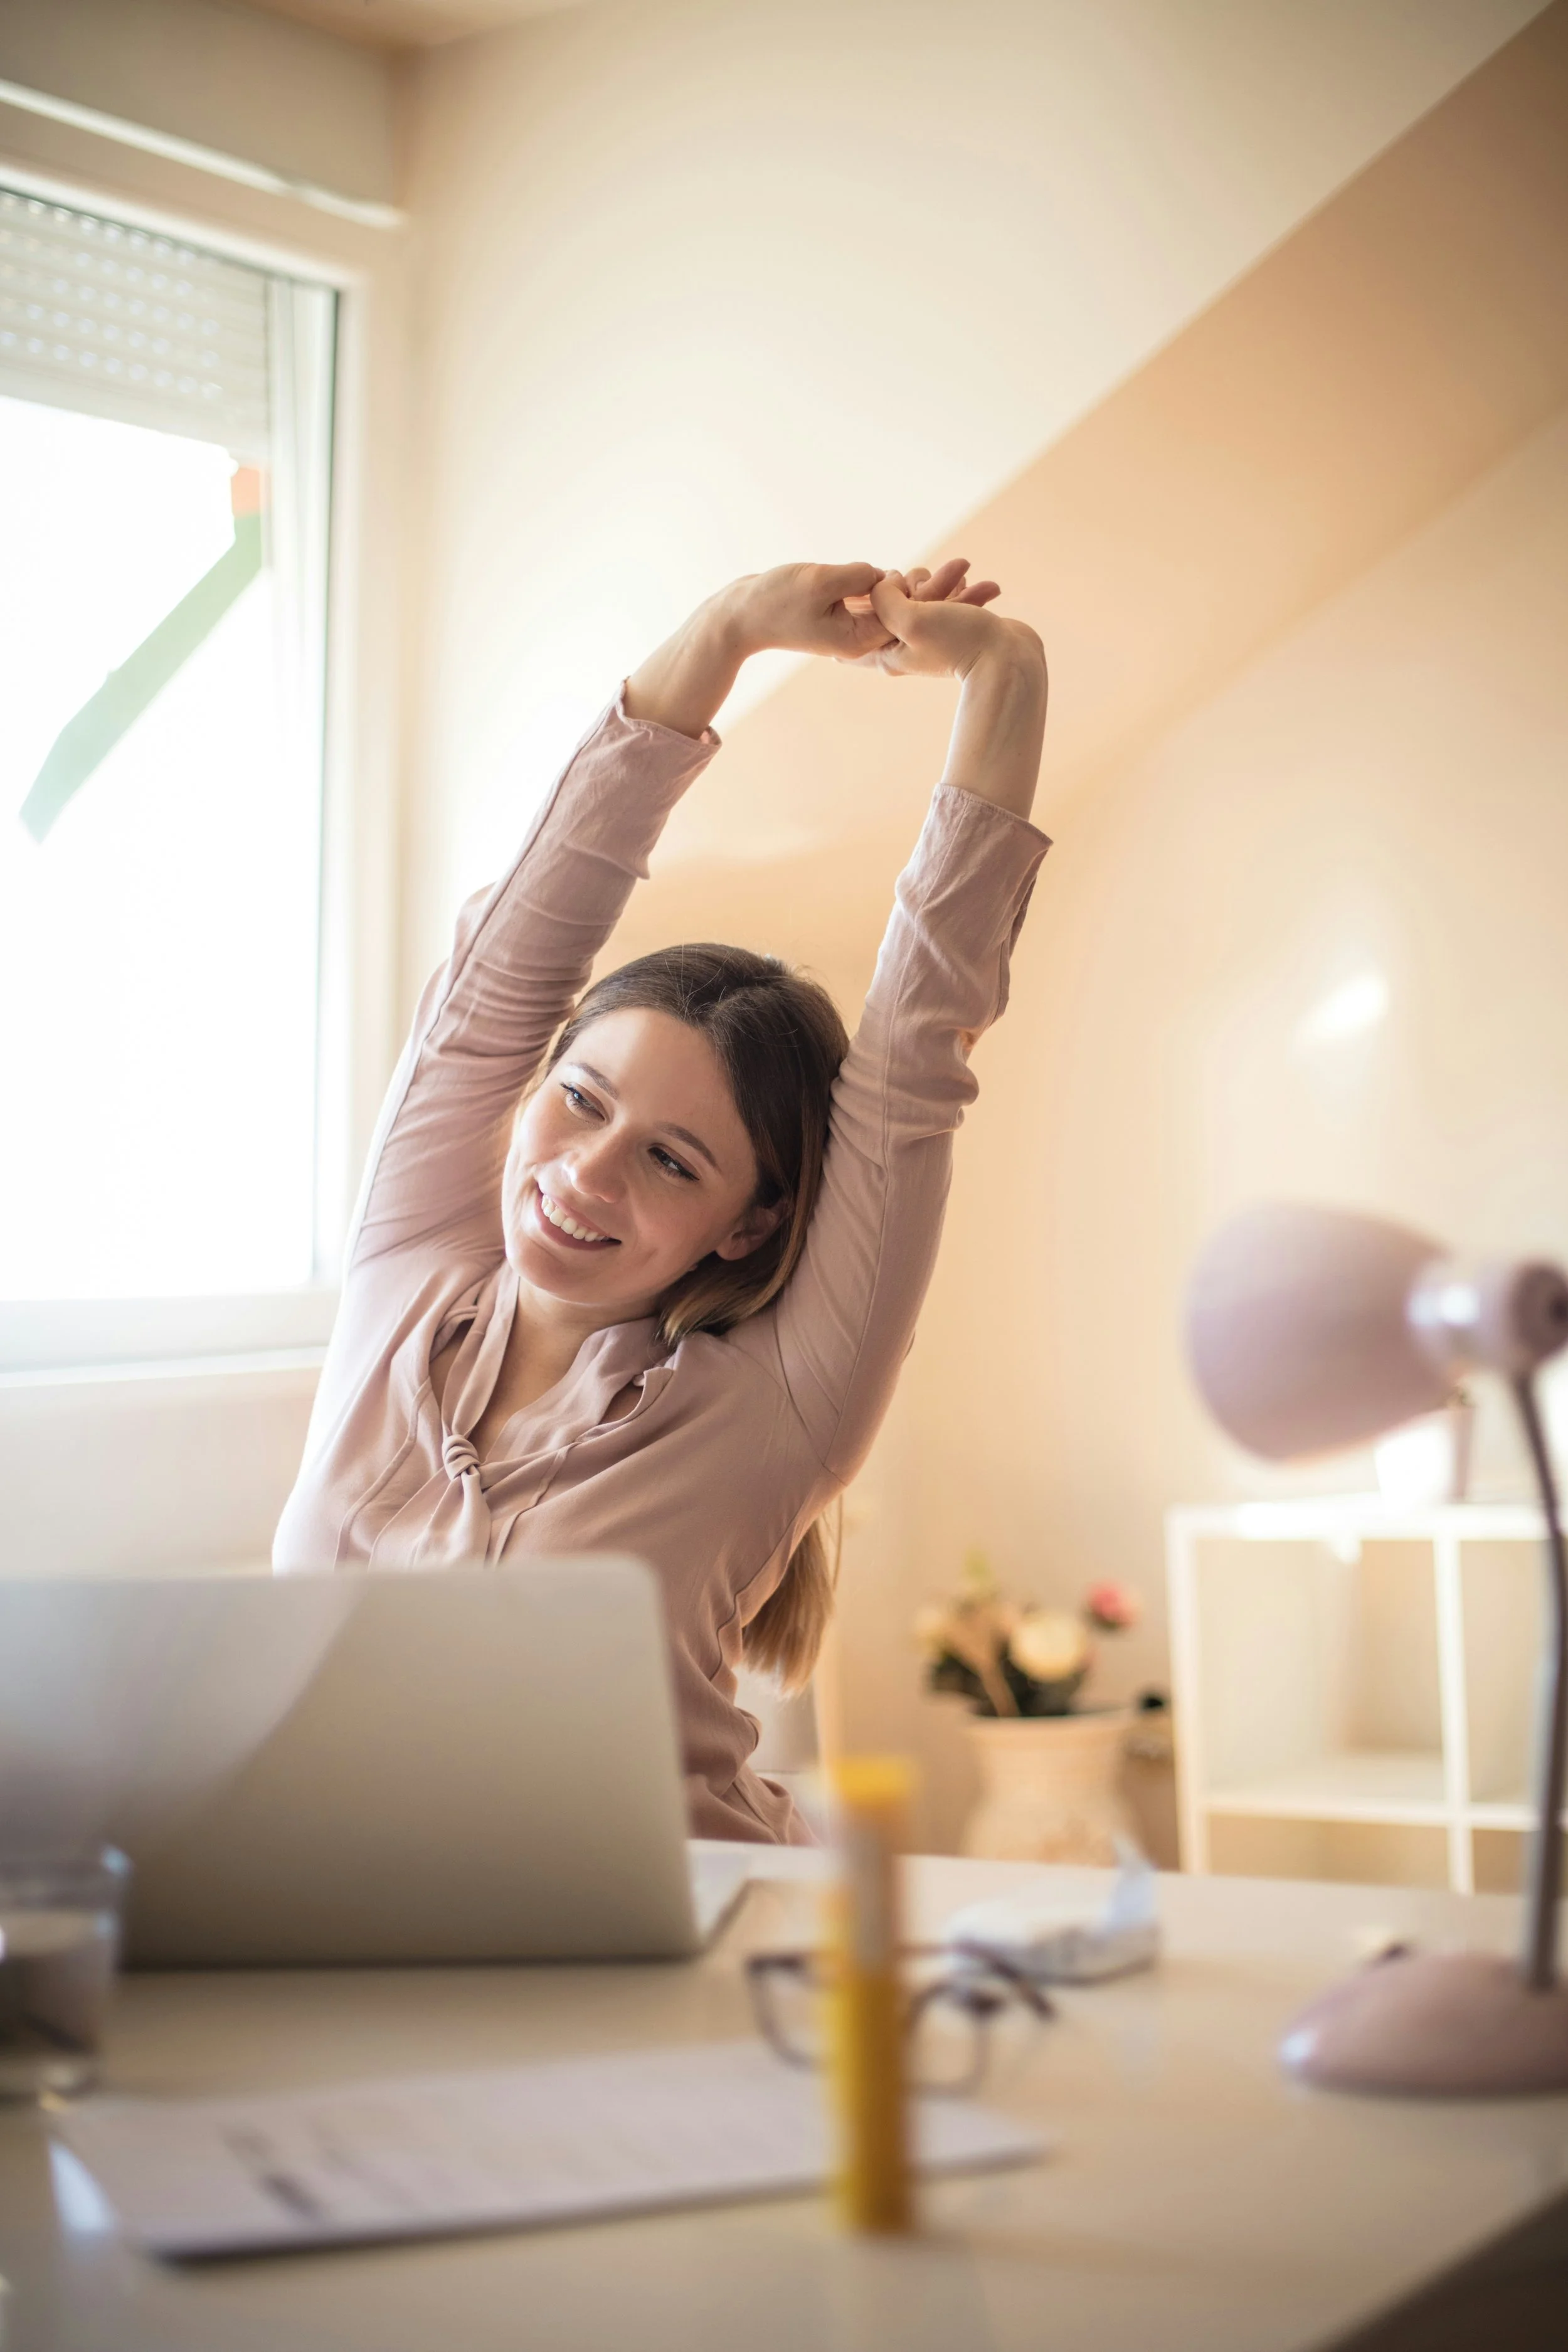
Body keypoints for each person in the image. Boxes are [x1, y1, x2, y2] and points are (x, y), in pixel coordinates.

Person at [274, 559, 1049, 1842]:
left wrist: (1003, 676)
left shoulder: (772, 1405)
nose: (584, 1173)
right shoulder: (407, 1268)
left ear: (744, 1223)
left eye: (671, 1160)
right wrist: (723, 635)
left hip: (685, 1957)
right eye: (579, 1101)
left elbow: (915, 1050)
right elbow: (502, 979)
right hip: (357, 1941)